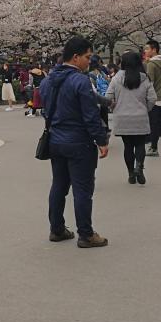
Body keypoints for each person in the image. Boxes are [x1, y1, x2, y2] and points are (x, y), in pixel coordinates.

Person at [39, 36, 110, 248]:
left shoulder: (48, 81)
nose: (89, 61)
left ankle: (57, 229)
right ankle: (86, 234)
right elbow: (90, 115)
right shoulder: (80, 81)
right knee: (82, 190)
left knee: (58, 185)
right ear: (76, 57)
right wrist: (101, 139)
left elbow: (46, 109)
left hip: (55, 140)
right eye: (87, 57)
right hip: (79, 142)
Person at [106, 51, 157, 185]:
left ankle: (130, 173)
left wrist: (114, 107)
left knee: (127, 146)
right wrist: (145, 109)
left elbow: (108, 97)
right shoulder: (144, 79)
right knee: (140, 144)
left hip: (122, 118)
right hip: (140, 117)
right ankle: (139, 167)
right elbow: (152, 98)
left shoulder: (116, 78)